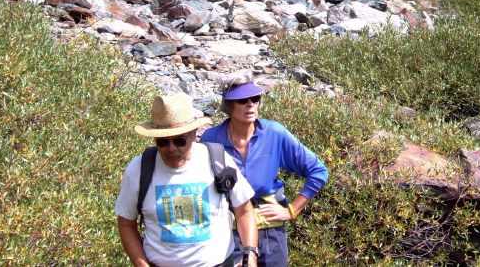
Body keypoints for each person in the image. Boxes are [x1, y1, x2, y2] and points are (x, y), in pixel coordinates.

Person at [115, 92, 260, 267]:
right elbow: (126, 224)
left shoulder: (217, 159)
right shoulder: (139, 168)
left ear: (193, 134)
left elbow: (244, 210)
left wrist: (250, 256)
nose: (171, 149)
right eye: (162, 142)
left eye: (179, 141)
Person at [200, 71, 329, 267]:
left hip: (269, 227)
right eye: (243, 100)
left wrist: (292, 211)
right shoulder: (211, 139)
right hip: (227, 229)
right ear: (229, 105)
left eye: (255, 98)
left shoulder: (274, 132)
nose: (251, 104)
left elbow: (318, 171)